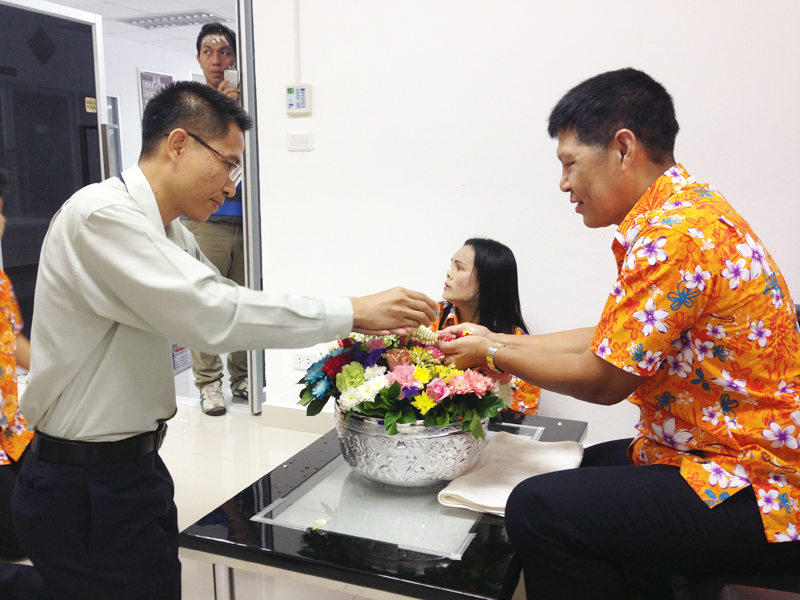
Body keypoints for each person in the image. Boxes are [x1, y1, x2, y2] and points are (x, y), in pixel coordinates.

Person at [5, 81, 436, 600]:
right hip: (83, 483)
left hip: (133, 469)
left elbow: (230, 303)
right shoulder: (100, 217)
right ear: (178, 144)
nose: (232, 187)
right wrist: (353, 312)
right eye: (228, 165)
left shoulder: (169, 231)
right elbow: (213, 314)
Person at [439, 68, 800, 599]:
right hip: (706, 457)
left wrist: (490, 352)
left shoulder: (675, 235)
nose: (564, 184)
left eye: (569, 163)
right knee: (569, 468)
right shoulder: (686, 212)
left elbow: (605, 379)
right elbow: (611, 338)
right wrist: (496, 340)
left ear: (623, 149)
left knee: (539, 507)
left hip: (756, 487)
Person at [185, 22, 247, 415]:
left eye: (224, 52)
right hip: (204, 221)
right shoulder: (190, 104)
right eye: (208, 52)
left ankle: (242, 376)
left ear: (235, 58)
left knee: (241, 303)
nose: (217, 61)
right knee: (204, 301)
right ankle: (209, 383)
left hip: (247, 221)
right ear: (198, 58)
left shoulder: (247, 101)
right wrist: (216, 108)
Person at [433, 238, 541, 414]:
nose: (449, 273)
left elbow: (521, 414)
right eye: (452, 265)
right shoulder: (430, 318)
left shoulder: (518, 344)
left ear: (487, 280)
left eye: (459, 268)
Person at [0, 171, 32, 561]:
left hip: (10, 426)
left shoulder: (1, 281)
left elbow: (12, 340)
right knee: (17, 540)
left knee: (53, 498)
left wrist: (61, 376)